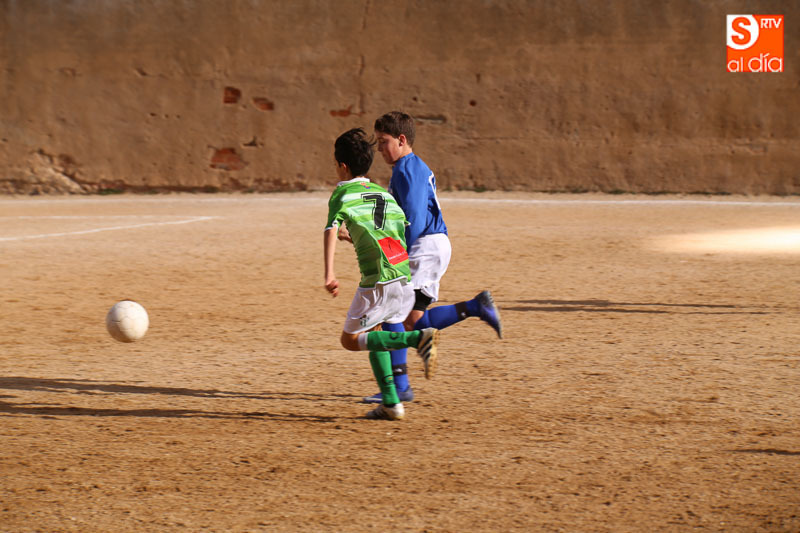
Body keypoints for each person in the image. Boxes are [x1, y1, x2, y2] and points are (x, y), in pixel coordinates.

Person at [359, 111, 502, 404]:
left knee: (393, 313)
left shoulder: (406, 169)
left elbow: (413, 218)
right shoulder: (409, 166)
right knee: (412, 320)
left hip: (424, 245)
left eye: (384, 141)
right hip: (432, 245)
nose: (380, 148)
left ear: (401, 140)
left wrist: (396, 255)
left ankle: (400, 387)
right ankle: (475, 306)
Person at [324, 127, 439, 421]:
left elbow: (330, 229)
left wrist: (330, 274)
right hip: (401, 274)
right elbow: (396, 229)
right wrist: (356, 238)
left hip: (376, 280)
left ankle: (416, 339)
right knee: (376, 331)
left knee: (350, 340)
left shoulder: (341, 193)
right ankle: (391, 403)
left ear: (342, 166)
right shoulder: (382, 194)